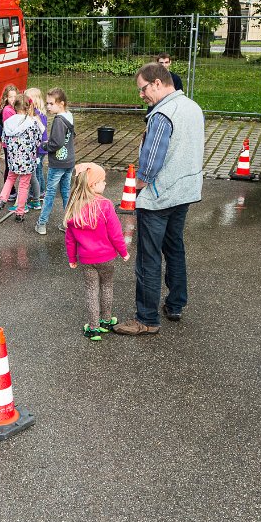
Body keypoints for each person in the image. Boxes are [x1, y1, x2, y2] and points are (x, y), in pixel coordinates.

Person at [114, 63, 204, 336]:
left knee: (148, 258)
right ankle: (175, 304)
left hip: (159, 196)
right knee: (174, 248)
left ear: (156, 83)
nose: (141, 95)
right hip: (185, 192)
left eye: (142, 89)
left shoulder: (162, 114)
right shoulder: (192, 106)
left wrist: (134, 188)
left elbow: (151, 163)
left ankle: (147, 318)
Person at [65, 163, 129, 341]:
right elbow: (115, 233)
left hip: (86, 259)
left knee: (91, 290)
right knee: (107, 286)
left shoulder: (74, 207)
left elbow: (70, 238)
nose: (105, 184)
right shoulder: (106, 205)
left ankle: (93, 328)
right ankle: (106, 321)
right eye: (102, 181)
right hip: (107, 257)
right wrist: (123, 252)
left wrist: (72, 257)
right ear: (92, 185)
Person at [0, 95, 42, 222]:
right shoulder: (32, 123)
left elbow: (4, 139)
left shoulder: (8, 122)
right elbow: (38, 140)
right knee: (24, 185)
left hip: (13, 159)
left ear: (14, 107)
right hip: (27, 160)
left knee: (10, 179)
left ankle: (1, 200)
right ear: (28, 106)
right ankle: (20, 212)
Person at [35, 88, 76, 235]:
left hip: (58, 164)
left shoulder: (59, 121)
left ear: (61, 104)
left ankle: (42, 223)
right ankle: (68, 224)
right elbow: (72, 136)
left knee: (50, 194)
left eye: (51, 104)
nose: (48, 107)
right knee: (66, 193)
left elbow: (56, 143)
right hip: (69, 162)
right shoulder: (69, 116)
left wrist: (44, 145)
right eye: (47, 103)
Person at [25, 87, 49, 208]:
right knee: (38, 169)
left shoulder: (37, 114)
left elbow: (41, 130)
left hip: (39, 148)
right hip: (41, 147)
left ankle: (39, 193)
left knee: (37, 170)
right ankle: (40, 192)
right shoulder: (39, 113)